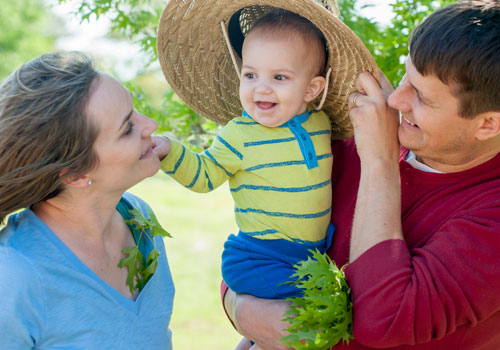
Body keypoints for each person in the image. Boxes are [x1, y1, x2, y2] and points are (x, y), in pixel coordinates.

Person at [221, 1, 500, 349]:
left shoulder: (491, 216)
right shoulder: (348, 144)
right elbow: (266, 238)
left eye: (423, 98)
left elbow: (381, 321)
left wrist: (380, 161)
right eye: (405, 76)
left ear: (488, 124)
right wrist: (238, 305)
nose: (396, 100)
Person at [154, 0, 377, 303]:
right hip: (260, 257)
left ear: (312, 89)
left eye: (279, 77)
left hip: (311, 257)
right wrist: (170, 153)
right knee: (318, 311)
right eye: (250, 75)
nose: (261, 88)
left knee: (318, 314)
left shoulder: (320, 122)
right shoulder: (240, 135)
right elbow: (204, 176)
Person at [0, 51, 175, 349]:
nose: (150, 125)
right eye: (127, 128)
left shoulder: (138, 219)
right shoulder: (14, 277)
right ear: (76, 174)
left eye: (134, 112)